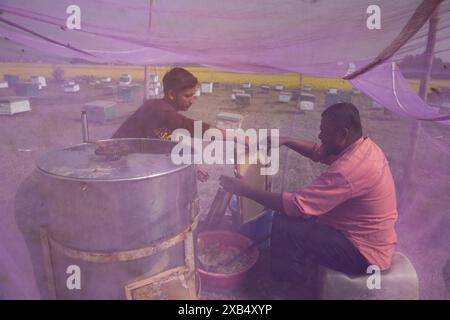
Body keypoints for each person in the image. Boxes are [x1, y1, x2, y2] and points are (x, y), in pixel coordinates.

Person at [219, 102, 398, 298]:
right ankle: (302, 275)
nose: (320, 136)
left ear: (343, 134)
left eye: (324, 132)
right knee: (295, 219)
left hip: (363, 253)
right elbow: (318, 151)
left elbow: (297, 206)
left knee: (285, 225)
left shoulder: (349, 170)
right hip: (362, 237)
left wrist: (245, 190)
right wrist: (286, 140)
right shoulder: (362, 147)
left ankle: (286, 291)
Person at [112, 67, 226, 181]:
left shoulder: (165, 113)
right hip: (114, 161)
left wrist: (192, 165)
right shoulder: (157, 108)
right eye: (187, 96)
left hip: (130, 164)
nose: (192, 100)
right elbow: (189, 126)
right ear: (171, 94)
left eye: (193, 95)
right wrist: (235, 136)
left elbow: (166, 143)